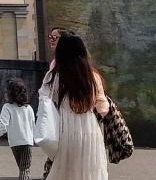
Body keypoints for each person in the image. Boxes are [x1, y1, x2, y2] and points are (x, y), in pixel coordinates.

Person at [40, 34, 110, 180]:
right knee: (89, 170)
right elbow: (103, 108)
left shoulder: (53, 76)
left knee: (65, 170)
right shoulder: (92, 76)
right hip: (89, 127)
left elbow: (44, 100)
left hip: (64, 126)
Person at [0, 78, 35, 180]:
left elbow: (3, 125)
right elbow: (33, 125)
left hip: (14, 143)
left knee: (22, 168)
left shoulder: (7, 107)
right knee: (25, 169)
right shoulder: (28, 108)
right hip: (27, 141)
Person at [43, 28, 72, 179]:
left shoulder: (70, 62)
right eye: (50, 37)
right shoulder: (55, 62)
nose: (52, 40)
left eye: (56, 37)